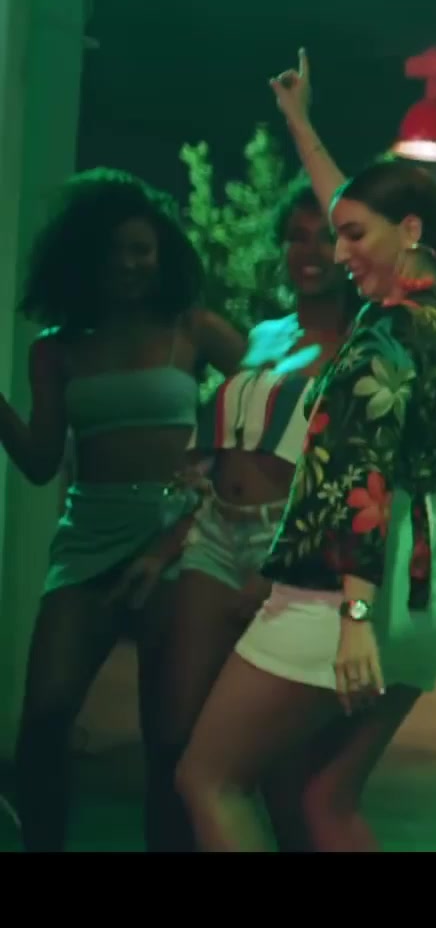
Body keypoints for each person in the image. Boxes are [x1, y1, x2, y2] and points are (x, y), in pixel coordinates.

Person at [174, 51, 436, 852]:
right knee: (326, 802)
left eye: (352, 238)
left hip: (351, 588)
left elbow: (361, 477)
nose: (340, 254)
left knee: (208, 778)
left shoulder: (381, 336)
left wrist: (353, 617)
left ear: (408, 232)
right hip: (427, 584)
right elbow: (358, 208)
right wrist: (300, 123)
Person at [2, 168, 246, 851]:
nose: (129, 264)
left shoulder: (192, 329)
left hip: (176, 535)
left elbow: (272, 403)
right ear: (83, 258)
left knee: (166, 738)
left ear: (162, 251)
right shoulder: (55, 349)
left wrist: (218, 470)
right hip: (86, 535)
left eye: (141, 249)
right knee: (45, 718)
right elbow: (40, 461)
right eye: (112, 251)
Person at [130, 179, 359, 851]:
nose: (309, 251)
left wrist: (290, 567)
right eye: (295, 236)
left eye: (326, 237)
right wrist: (164, 548)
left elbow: (353, 479)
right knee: (173, 738)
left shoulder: (362, 346)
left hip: (284, 544)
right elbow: (224, 451)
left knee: (277, 766)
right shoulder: (264, 334)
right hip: (215, 534)